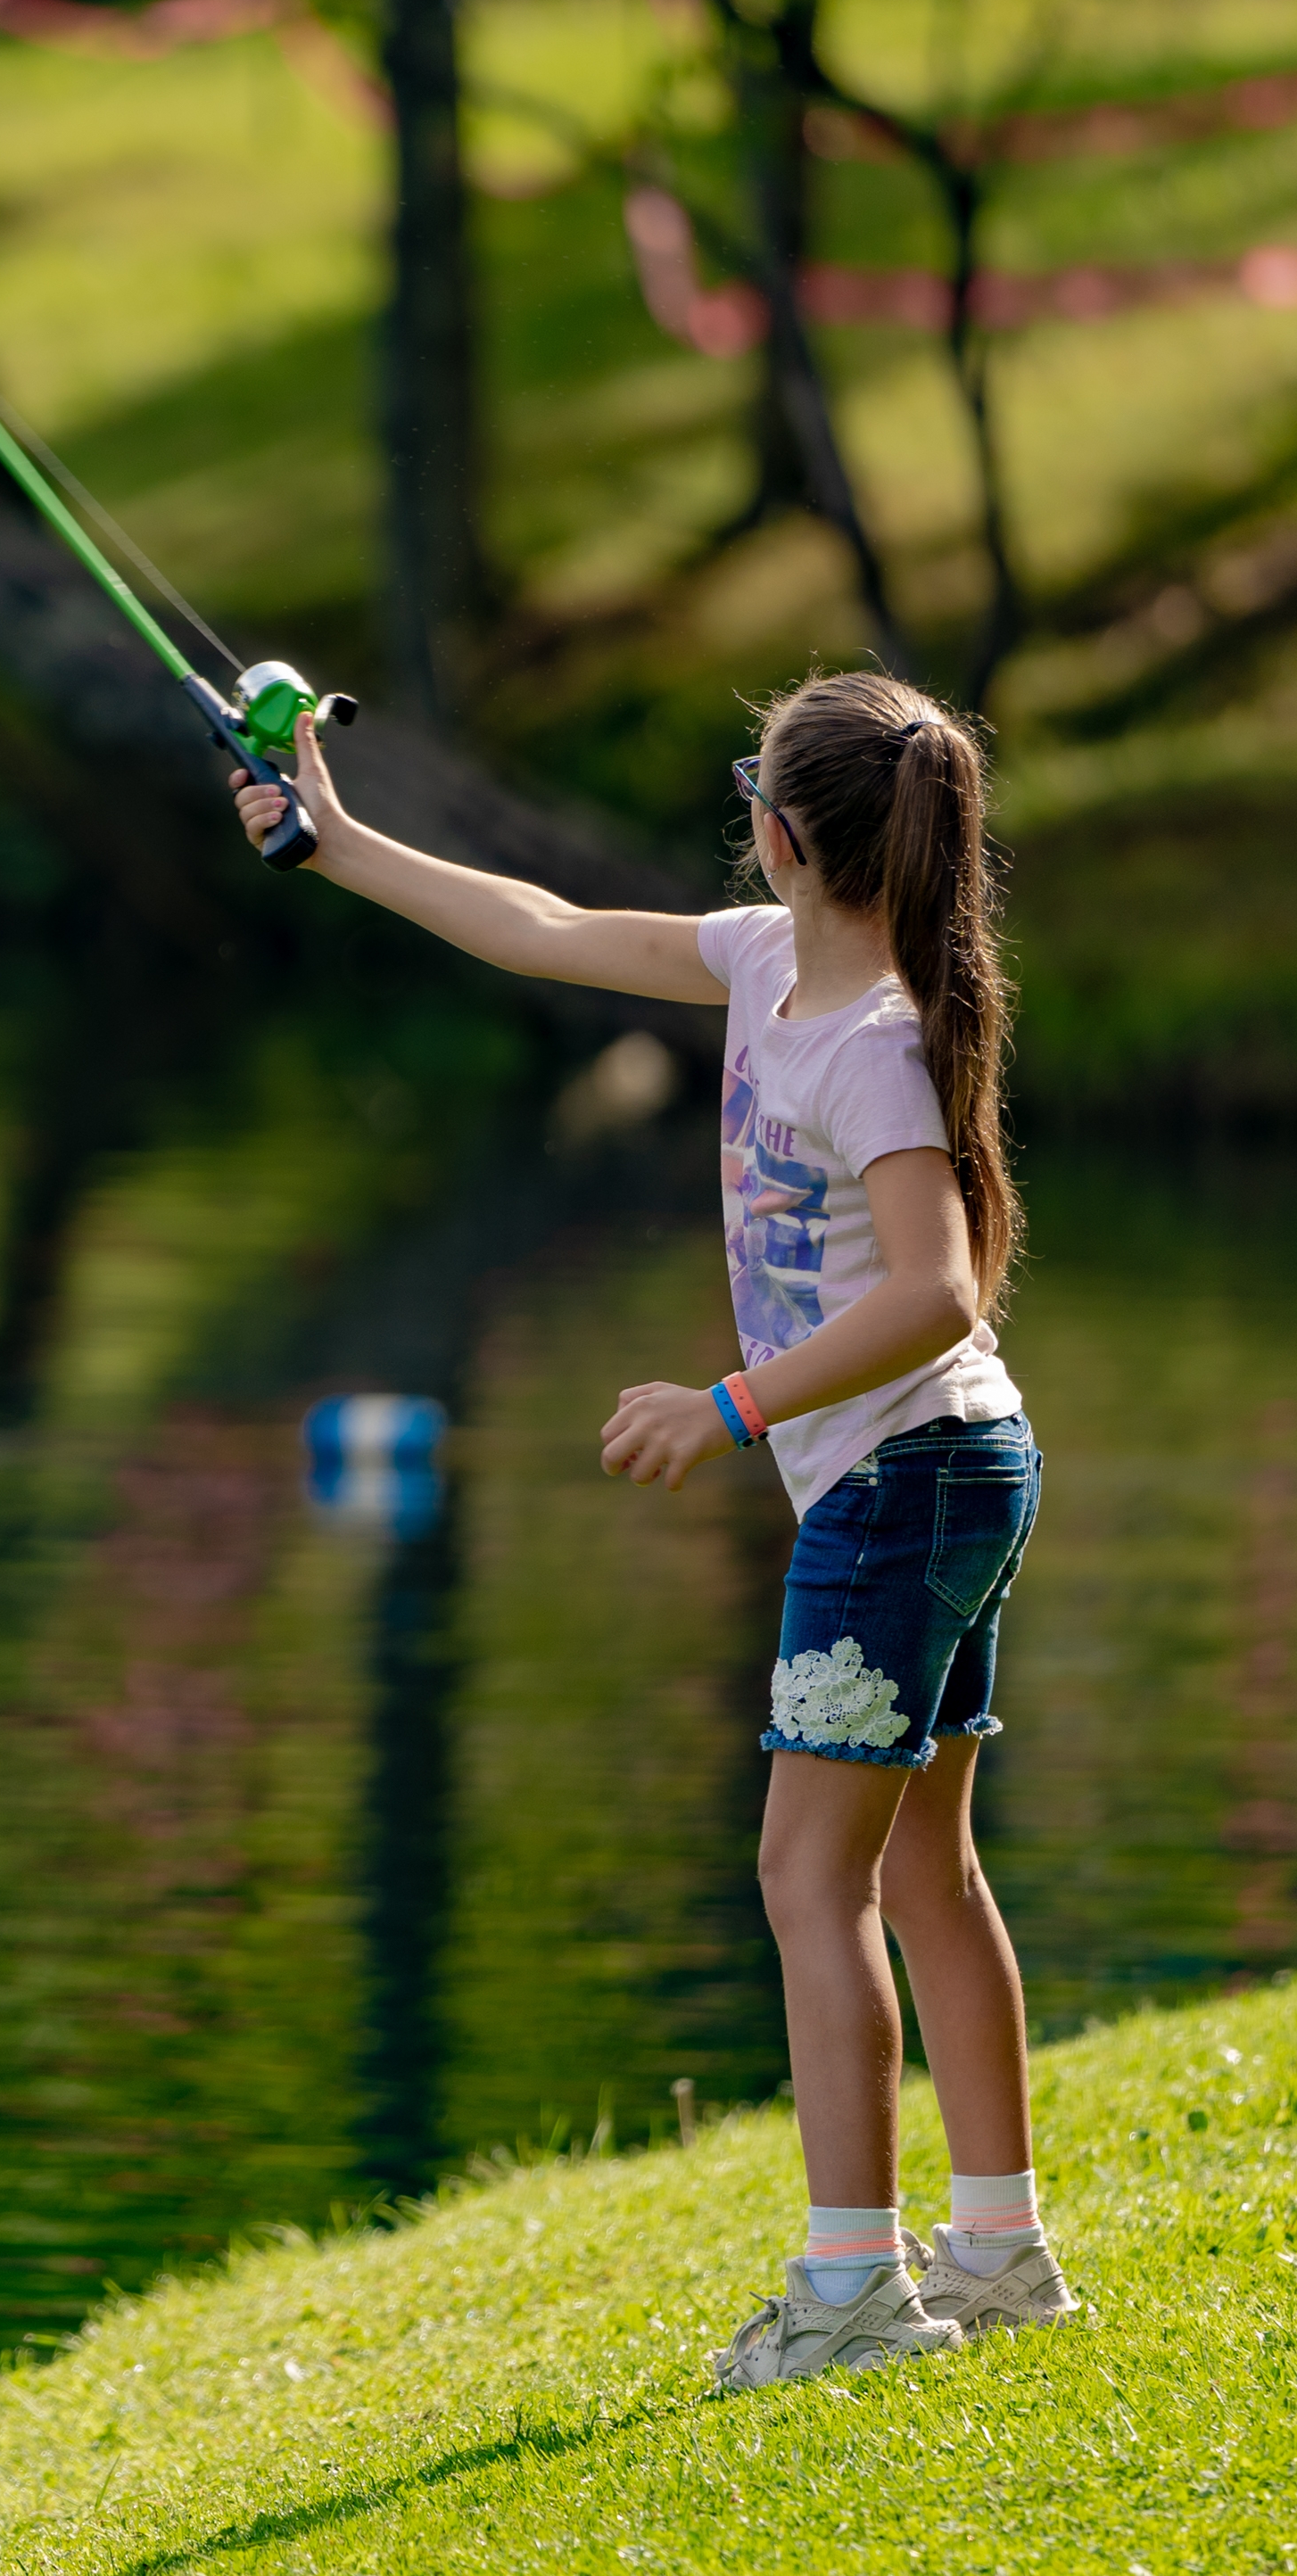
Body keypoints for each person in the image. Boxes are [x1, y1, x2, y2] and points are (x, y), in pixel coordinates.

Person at [233, 665, 1069, 2391]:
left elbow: (938, 1286)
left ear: (782, 834)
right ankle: (994, 2248)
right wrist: (339, 842)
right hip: (945, 1472)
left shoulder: (879, 1045)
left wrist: (727, 1406)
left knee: (804, 1875)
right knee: (916, 1863)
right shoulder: (768, 961)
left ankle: (855, 2289)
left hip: (906, 1480)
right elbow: (539, 924)